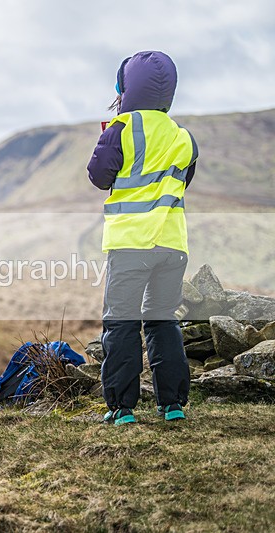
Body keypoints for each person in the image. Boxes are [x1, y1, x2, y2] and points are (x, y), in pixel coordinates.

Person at [87, 51, 198, 425]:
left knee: (121, 322)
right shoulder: (183, 137)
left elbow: (99, 177)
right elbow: (183, 180)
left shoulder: (121, 130)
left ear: (127, 88)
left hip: (131, 243)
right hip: (172, 245)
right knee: (163, 320)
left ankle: (122, 408)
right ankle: (173, 404)